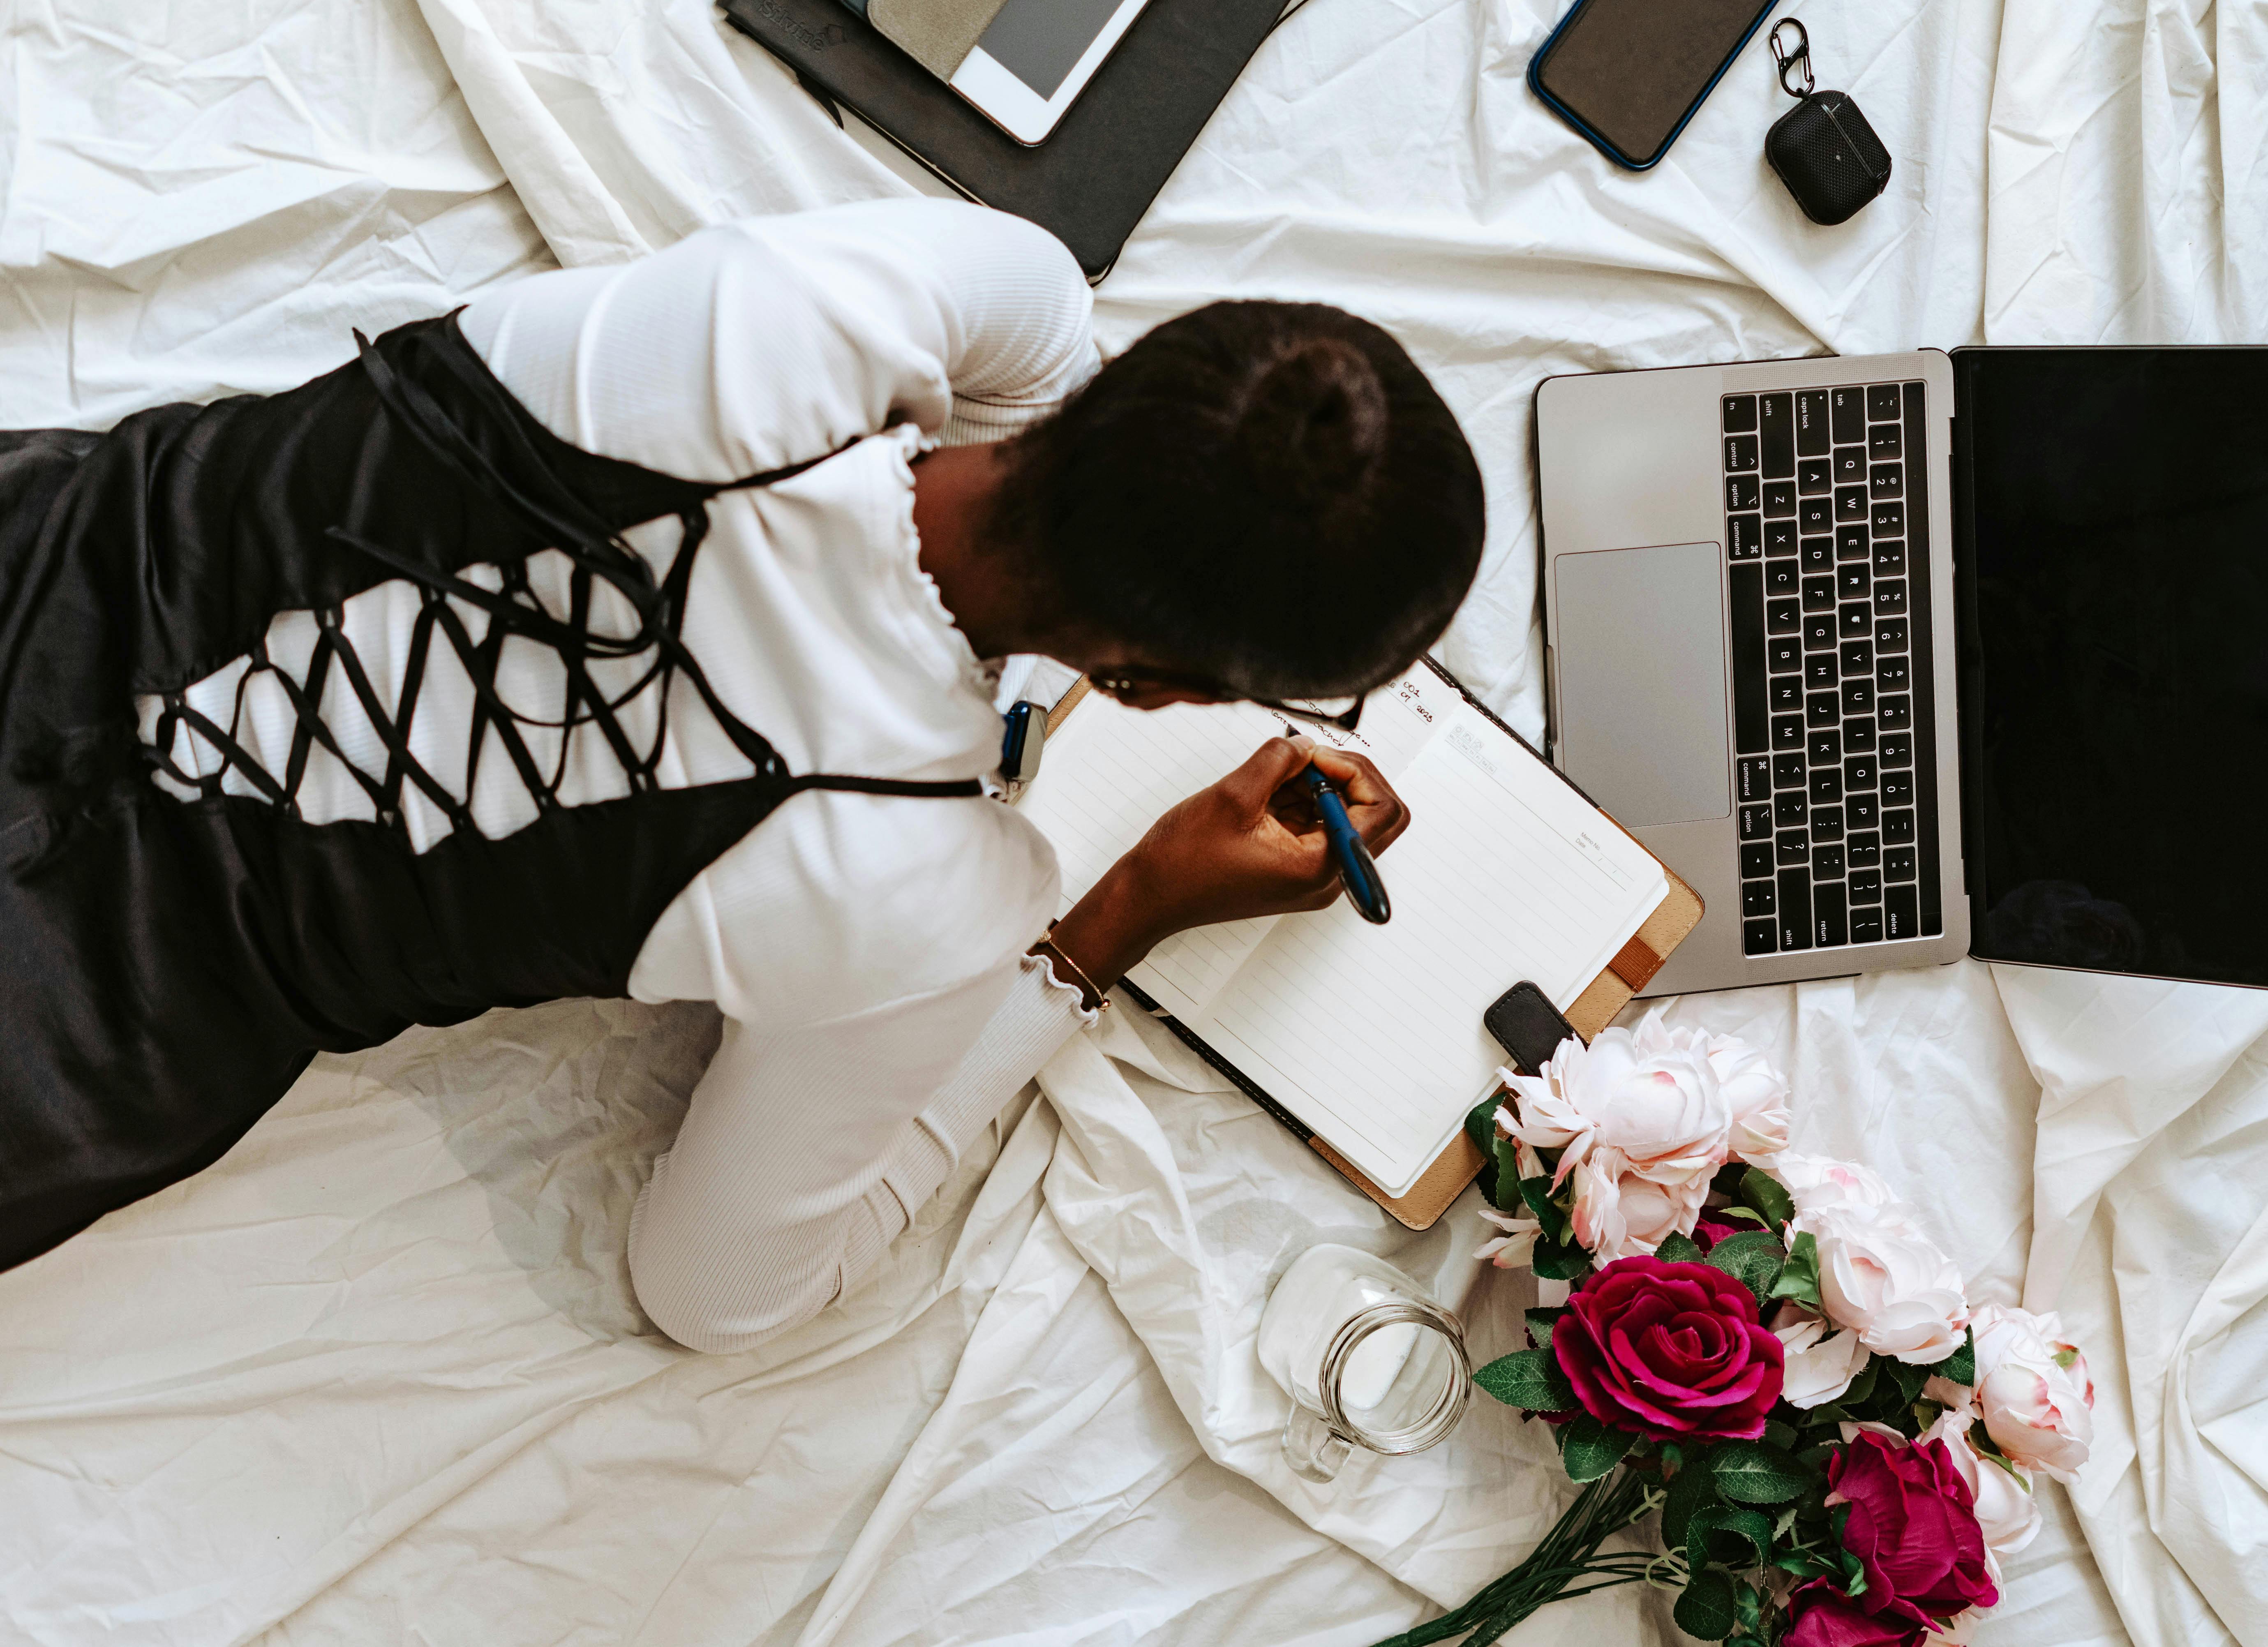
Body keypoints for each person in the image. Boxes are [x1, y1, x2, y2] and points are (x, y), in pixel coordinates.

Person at [0, 199, 1486, 1351]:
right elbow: (716, 1293)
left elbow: (1037, 347)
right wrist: (1113, 923)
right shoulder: (921, 888)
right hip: (73, 1021)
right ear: (1165, 689)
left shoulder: (810, 315)